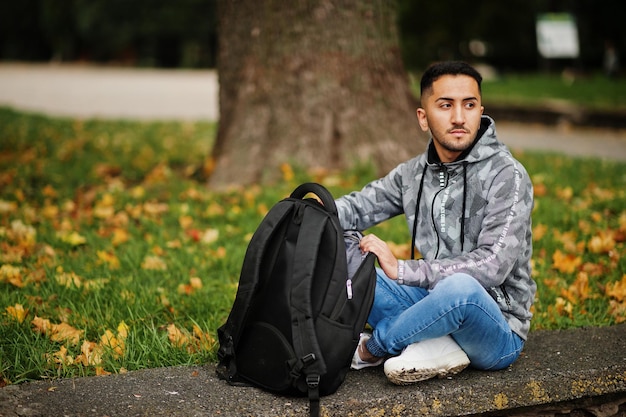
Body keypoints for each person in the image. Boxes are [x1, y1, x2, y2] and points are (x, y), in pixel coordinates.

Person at [335, 61, 535, 385]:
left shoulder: (507, 175)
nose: (459, 117)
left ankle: (373, 349)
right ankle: (429, 339)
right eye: (445, 105)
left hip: (494, 325)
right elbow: (358, 207)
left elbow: (493, 265)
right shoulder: (413, 174)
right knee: (337, 250)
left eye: (469, 105)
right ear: (423, 117)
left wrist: (402, 270)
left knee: (459, 289)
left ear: (480, 110)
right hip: (429, 300)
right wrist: (309, 209)